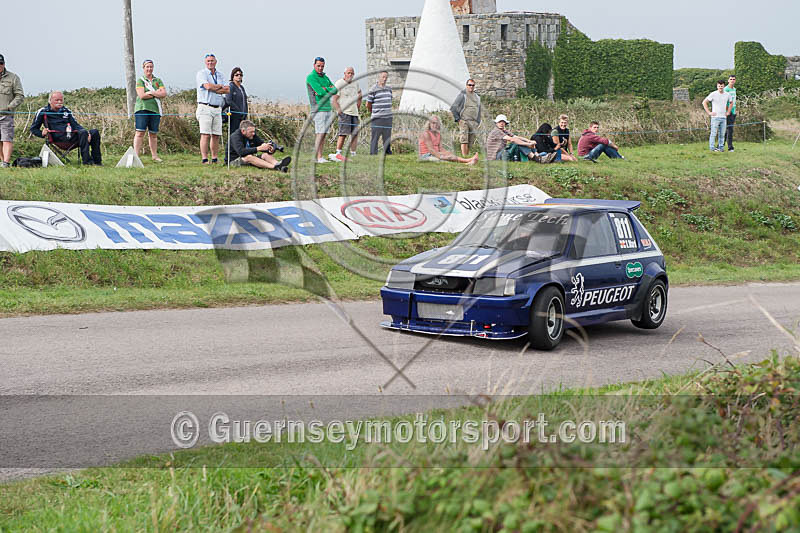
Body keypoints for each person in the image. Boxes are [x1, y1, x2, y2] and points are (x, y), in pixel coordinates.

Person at [30, 91, 102, 165]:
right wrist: (42, 133)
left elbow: (75, 125)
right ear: (50, 100)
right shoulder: (43, 111)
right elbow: (33, 129)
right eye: (57, 100)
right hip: (58, 138)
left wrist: (88, 133)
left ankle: (97, 162)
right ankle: (87, 162)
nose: (59, 102)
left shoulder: (66, 111)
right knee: (82, 133)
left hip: (72, 135)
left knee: (94, 132)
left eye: (61, 100)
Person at [196, 53, 229, 164]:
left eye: (212, 61)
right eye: (208, 61)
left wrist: (214, 88)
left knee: (216, 135)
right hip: (205, 106)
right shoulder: (202, 73)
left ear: (216, 62)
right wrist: (219, 86)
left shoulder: (220, 74)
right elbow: (207, 86)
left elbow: (227, 89)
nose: (210, 63)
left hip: (217, 108)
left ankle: (214, 158)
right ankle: (205, 159)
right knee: (205, 134)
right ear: (205, 62)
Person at [305, 56, 338, 164]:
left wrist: (326, 89)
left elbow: (335, 89)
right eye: (318, 66)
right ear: (314, 65)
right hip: (318, 109)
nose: (320, 68)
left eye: (322, 66)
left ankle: (320, 156)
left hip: (328, 108)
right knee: (319, 133)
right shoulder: (311, 77)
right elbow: (320, 92)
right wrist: (326, 89)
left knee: (324, 134)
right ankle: (318, 157)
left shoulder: (325, 77)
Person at [134, 59, 166, 163]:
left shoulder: (158, 80)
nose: (149, 69)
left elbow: (164, 94)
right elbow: (142, 95)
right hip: (142, 109)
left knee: (153, 133)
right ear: (143, 68)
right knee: (140, 132)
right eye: (147, 67)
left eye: (151, 67)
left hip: (155, 110)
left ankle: (154, 156)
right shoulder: (140, 80)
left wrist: (150, 93)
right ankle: (136, 155)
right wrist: (155, 92)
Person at [329, 66, 362, 162]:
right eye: (349, 73)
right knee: (343, 133)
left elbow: (360, 95)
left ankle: (353, 153)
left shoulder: (356, 83)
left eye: (352, 73)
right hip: (344, 112)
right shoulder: (339, 83)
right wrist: (338, 110)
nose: (350, 75)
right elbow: (334, 98)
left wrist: (358, 107)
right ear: (345, 74)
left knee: (354, 134)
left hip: (354, 113)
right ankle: (338, 153)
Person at [0, 54, 24, 168]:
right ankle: (2, 161)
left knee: (6, 139)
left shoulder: (13, 77)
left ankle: (6, 162)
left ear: (4, 64)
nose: (0, 66)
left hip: (6, 115)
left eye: (1, 63)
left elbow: (19, 95)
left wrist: (10, 107)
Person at [450, 78, 482, 156]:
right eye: (469, 85)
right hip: (464, 120)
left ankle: (467, 156)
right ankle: (464, 157)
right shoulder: (462, 95)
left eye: (473, 85)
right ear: (466, 85)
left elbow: (479, 110)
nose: (471, 86)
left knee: (471, 141)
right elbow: (453, 108)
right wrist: (458, 119)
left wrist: (478, 121)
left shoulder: (477, 97)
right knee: (464, 140)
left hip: (473, 122)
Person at [366, 71, 393, 155]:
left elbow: (390, 100)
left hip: (388, 117)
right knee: (375, 137)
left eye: (386, 77)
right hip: (377, 117)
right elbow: (368, 104)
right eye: (383, 77)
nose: (384, 79)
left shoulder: (389, 89)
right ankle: (373, 153)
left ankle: (387, 152)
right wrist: (374, 112)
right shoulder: (373, 89)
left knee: (387, 136)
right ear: (379, 77)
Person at [702, 80, 732, 153]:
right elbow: (704, 102)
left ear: (724, 86)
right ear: (717, 86)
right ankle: (712, 148)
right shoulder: (713, 94)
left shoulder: (727, 94)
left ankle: (721, 148)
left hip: (723, 117)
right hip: (715, 117)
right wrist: (709, 112)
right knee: (713, 133)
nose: (720, 87)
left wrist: (728, 112)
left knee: (722, 134)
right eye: (719, 86)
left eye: (721, 86)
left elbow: (731, 102)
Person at [224, 67, 248, 135]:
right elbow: (228, 100)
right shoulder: (231, 86)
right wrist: (238, 110)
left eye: (240, 75)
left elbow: (245, 101)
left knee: (241, 135)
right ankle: (229, 146)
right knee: (234, 134)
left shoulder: (242, 87)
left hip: (242, 116)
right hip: (234, 114)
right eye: (236, 75)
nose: (239, 76)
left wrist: (245, 113)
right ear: (233, 76)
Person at [724, 74, 737, 152]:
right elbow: (724, 101)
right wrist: (727, 111)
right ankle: (730, 147)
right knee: (729, 129)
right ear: (728, 80)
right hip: (728, 112)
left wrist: (735, 110)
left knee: (728, 130)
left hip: (733, 111)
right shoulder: (726, 89)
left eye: (733, 79)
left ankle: (720, 145)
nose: (732, 80)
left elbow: (734, 100)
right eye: (731, 79)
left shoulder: (734, 89)